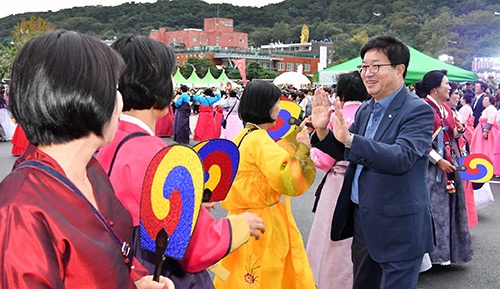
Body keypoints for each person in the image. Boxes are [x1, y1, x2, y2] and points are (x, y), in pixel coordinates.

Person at [0, 30, 174, 289]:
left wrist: (136, 281)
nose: (120, 99)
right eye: (114, 88)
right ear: (82, 98)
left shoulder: (90, 170)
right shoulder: (21, 211)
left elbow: (116, 254)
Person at [96, 34, 264, 289]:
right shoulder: (154, 153)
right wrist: (239, 226)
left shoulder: (106, 138)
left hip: (118, 260)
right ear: (157, 88)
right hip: (157, 267)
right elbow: (197, 245)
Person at [310, 35, 434, 289]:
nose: (367, 73)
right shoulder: (367, 110)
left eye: (376, 66)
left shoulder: (417, 110)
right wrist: (322, 132)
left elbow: (403, 157)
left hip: (398, 227)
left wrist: (352, 140)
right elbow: (347, 152)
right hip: (363, 219)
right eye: (364, 67)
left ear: (400, 69)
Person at [213, 80, 316, 289]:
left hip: (241, 218)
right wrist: (304, 149)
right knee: (268, 273)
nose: (280, 107)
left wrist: (298, 134)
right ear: (267, 106)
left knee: (242, 272)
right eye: (277, 102)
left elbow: (274, 154)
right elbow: (288, 180)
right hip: (263, 221)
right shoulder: (260, 139)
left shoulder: (244, 136)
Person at [306, 71, 369, 289]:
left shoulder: (335, 115)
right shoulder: (370, 113)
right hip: (365, 181)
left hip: (338, 182)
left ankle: (332, 281)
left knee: (334, 237)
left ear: (340, 94)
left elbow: (323, 161)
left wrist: (309, 148)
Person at [415, 70, 473, 265]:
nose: (450, 87)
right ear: (434, 88)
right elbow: (420, 141)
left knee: (447, 209)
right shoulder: (423, 108)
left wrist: (459, 131)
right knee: (434, 209)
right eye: (446, 84)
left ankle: (445, 254)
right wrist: (438, 160)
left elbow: (451, 136)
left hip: (448, 163)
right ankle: (432, 255)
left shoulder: (446, 109)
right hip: (431, 168)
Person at [470, 94, 499, 174]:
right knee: (482, 148)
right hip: (482, 130)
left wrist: (486, 130)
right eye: (484, 100)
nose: (484, 101)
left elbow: (491, 119)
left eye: (486, 100)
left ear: (491, 101)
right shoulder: (487, 109)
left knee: (488, 148)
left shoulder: (491, 109)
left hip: (487, 131)